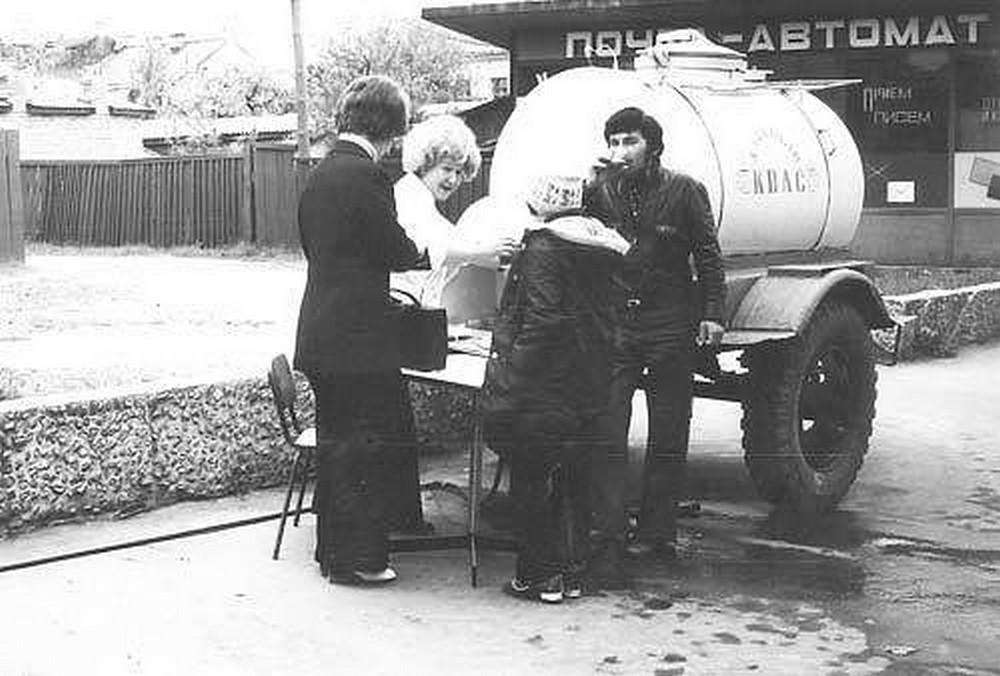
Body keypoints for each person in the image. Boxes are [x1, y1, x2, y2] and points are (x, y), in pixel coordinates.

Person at [585, 106, 726, 587]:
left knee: (669, 428)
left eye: (630, 141)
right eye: (613, 142)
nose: (619, 151)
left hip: (670, 322)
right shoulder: (601, 190)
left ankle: (657, 531)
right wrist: (589, 186)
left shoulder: (684, 190)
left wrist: (712, 313)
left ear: (654, 147)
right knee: (607, 428)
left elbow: (708, 255)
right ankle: (606, 531)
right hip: (617, 322)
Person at [293, 75, 425, 585]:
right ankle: (359, 559)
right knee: (363, 451)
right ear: (390, 127)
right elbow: (393, 248)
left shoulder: (322, 172)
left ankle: (333, 553)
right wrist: (420, 250)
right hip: (357, 340)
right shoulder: (368, 176)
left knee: (337, 447)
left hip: (321, 330)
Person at [483, 175, 629, 603]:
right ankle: (571, 573)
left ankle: (538, 576)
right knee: (574, 481)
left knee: (531, 479)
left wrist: (512, 376)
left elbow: (542, 320)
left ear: (540, 206)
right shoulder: (603, 247)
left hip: (544, 386)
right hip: (588, 382)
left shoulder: (543, 248)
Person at [384, 115, 520, 532]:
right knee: (394, 427)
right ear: (424, 162)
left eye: (461, 173)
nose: (454, 179)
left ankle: (402, 517)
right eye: (447, 168)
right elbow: (434, 249)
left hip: (408, 316)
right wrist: (485, 251)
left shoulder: (422, 202)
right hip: (394, 315)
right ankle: (401, 519)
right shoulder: (408, 198)